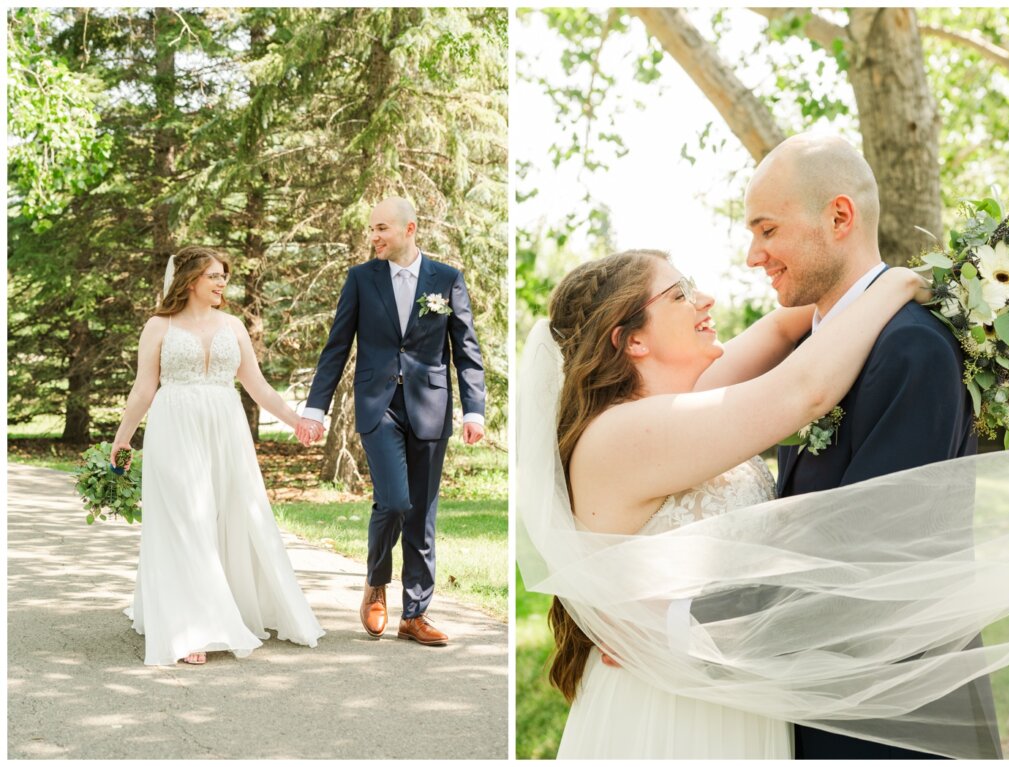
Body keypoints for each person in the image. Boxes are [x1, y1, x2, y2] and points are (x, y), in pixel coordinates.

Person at [531, 248, 932, 759]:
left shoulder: (678, 404)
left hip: (725, 690)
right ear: (632, 339)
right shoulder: (624, 434)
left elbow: (787, 327)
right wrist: (898, 285)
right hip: (675, 713)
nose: (706, 299)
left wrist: (945, 273)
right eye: (679, 294)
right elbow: (806, 391)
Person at [745, 133, 1001, 759]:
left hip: (895, 717)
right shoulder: (816, 351)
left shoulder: (911, 345)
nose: (754, 255)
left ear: (839, 217)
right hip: (824, 698)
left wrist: (679, 620)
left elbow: (864, 554)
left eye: (767, 230)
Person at [111, 245, 325, 666]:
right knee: (186, 519)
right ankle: (191, 625)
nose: (222, 282)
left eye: (224, 274)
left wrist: (295, 420)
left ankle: (228, 608)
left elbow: (257, 386)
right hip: (175, 429)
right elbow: (143, 390)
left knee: (230, 515)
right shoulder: (158, 326)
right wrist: (122, 440)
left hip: (225, 431)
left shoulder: (233, 325)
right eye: (214, 275)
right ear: (190, 280)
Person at [296, 197, 486, 646]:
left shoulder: (447, 279)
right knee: (396, 500)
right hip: (378, 405)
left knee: (422, 513)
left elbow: (467, 350)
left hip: (431, 407)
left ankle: (415, 614)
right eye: (371, 229)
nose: (374, 236)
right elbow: (337, 346)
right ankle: (376, 581)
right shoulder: (361, 279)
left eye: (381, 228)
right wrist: (314, 408)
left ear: (409, 229)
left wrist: (474, 409)